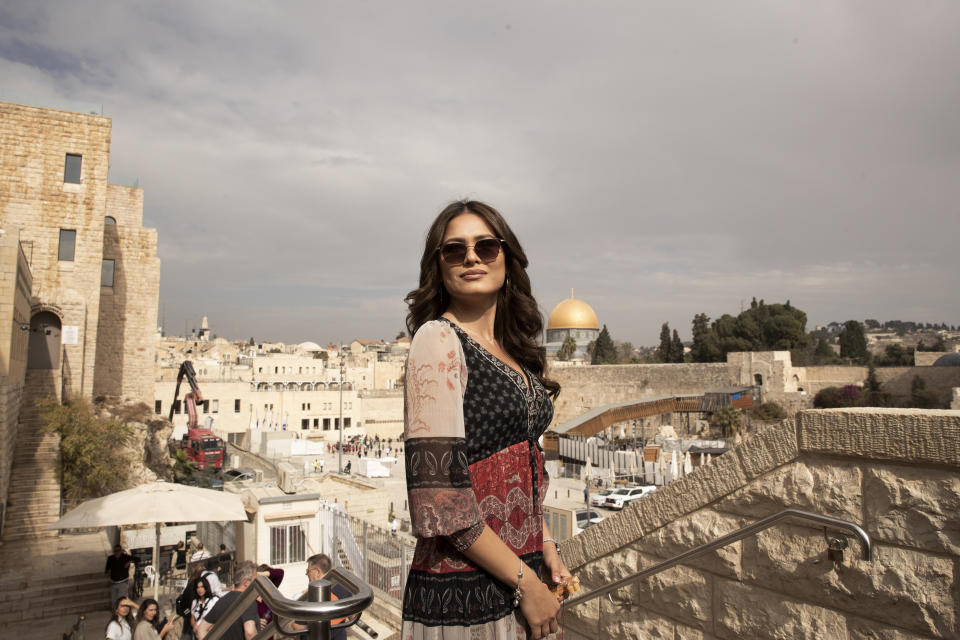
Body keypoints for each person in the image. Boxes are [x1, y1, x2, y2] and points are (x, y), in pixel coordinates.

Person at [401, 201, 570, 639]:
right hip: (467, 589)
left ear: (507, 259)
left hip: (520, 574)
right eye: (454, 250)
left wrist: (546, 548)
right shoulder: (438, 339)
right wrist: (527, 585)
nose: (471, 257)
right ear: (438, 267)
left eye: (486, 246)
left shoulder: (512, 353)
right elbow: (439, 500)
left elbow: (522, 471)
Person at [197, 560, 259, 640]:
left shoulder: (222, 600)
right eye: (256, 580)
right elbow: (250, 633)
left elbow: (201, 629)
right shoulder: (248, 601)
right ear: (246, 582)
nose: (258, 584)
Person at [254, 564, 284, 628]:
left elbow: (280, 573)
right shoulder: (250, 596)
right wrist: (255, 622)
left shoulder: (269, 594)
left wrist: (262, 574)